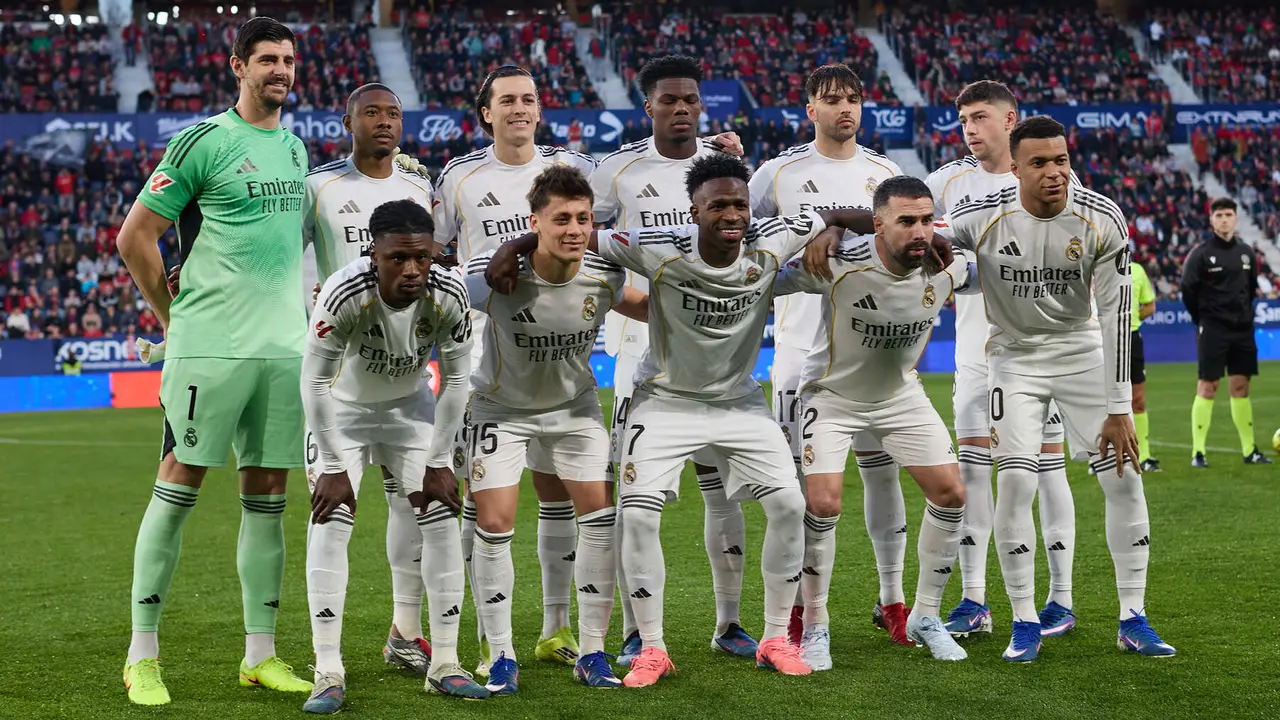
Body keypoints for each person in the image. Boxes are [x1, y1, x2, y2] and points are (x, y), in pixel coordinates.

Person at [485, 154, 880, 687]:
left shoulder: (774, 235)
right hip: (665, 402)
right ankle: (651, 648)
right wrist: (513, 246)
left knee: (791, 505)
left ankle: (774, 638)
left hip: (740, 402)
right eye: (716, 205)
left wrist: (830, 229)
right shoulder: (659, 245)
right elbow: (576, 233)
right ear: (692, 212)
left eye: (739, 203)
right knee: (640, 516)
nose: (731, 214)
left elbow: (858, 215)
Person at [117, 17, 314, 705]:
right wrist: (174, 321)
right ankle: (142, 655)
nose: (280, 71)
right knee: (178, 487)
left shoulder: (294, 150)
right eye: (266, 60)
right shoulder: (204, 141)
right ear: (238, 66)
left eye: (288, 60)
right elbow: (136, 237)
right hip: (211, 348)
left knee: (268, 500)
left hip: (281, 350)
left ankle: (260, 655)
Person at [940, 116, 1175, 662]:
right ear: (1015, 168)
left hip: (1081, 353)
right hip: (1013, 361)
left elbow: (1118, 314)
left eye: (1062, 160)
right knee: (1017, 485)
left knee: (1124, 478)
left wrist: (1120, 407)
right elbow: (918, 236)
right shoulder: (981, 215)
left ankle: (1132, 616)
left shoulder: (1101, 216)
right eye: (1040, 163)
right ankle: (1024, 619)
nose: (1055, 172)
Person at [430, 65, 598, 677]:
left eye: (529, 98)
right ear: (487, 112)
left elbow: (596, 230)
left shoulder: (569, 170)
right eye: (507, 100)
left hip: (556, 347)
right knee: (487, 498)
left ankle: (557, 628)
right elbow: (440, 250)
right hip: (487, 348)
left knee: (555, 488)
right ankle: (489, 635)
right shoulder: (460, 177)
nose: (520, 108)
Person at [590, 53, 757, 665]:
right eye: (670, 100)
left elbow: (749, 249)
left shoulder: (728, 169)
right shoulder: (617, 171)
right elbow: (591, 245)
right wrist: (629, 306)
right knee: (640, 498)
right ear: (649, 107)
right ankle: (638, 628)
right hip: (645, 356)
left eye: (691, 100)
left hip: (719, 355)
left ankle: (730, 623)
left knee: (723, 495)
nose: (682, 109)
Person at [461, 166, 649, 694]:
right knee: (495, 523)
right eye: (561, 218)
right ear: (534, 222)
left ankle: (591, 651)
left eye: (583, 219)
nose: (574, 229)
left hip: (574, 409)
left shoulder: (603, 275)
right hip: (501, 408)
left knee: (600, 515)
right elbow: (437, 298)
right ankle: (499, 654)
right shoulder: (494, 275)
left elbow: (652, 309)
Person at [749, 62, 910, 659]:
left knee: (883, 474)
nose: (843, 108)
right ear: (809, 108)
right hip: (801, 355)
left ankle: (892, 600)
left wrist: (835, 224)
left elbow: (904, 233)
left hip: (875, 352)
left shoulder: (882, 172)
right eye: (830, 99)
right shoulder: (777, 173)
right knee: (802, 494)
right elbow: (747, 235)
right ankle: (796, 611)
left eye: (852, 99)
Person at [301, 200, 487, 711]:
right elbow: (314, 381)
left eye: (422, 258)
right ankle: (328, 670)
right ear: (373, 253)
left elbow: (457, 382)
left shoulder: (448, 291)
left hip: (410, 409)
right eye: (398, 259)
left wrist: (439, 460)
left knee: (443, 516)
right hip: (343, 412)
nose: (412, 270)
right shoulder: (343, 291)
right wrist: (334, 467)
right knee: (330, 519)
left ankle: (445, 662)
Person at [775, 176, 969, 663]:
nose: (919, 231)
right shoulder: (836, 263)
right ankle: (815, 625)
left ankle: (926, 614)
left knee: (952, 494)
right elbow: (760, 276)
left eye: (926, 220)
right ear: (877, 226)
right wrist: (829, 226)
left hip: (900, 396)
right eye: (906, 221)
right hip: (832, 397)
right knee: (822, 503)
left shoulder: (949, 264)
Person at [924, 81, 1079, 639]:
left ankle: (1059, 598)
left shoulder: (1051, 177)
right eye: (963, 118)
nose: (969, 128)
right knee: (972, 473)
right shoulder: (943, 184)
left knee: (1046, 472)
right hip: (973, 354)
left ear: (1010, 119)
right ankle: (974, 599)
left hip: (1039, 352)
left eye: (981, 117)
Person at [301, 84, 439, 679]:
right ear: (347, 121)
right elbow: (291, 252)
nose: (384, 122)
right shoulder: (320, 186)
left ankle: (405, 632)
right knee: (332, 513)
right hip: (338, 373)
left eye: (393, 113)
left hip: (405, 373)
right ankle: (326, 664)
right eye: (371, 113)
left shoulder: (418, 185)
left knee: (414, 507)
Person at [1181, 197, 1272, 467]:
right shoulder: (1200, 253)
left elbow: (1251, 288)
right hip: (1213, 328)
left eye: (1228, 214)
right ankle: (1198, 452)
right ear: (1211, 220)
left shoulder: (1247, 253)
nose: (1224, 219)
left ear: (1235, 218)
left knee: (1241, 387)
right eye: (1219, 215)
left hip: (1242, 330)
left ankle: (1249, 450)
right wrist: (1202, 319)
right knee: (1208, 386)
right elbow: (1188, 290)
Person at [1131, 258, 1160, 472]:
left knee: (1138, 400)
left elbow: (1150, 306)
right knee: (1099, 401)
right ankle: (1097, 459)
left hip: (1131, 339)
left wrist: (1130, 318)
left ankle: (1144, 455)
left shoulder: (1137, 270)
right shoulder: (1094, 267)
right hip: (1100, 338)